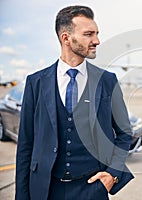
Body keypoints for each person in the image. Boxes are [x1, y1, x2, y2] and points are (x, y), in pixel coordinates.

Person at [15, 5, 134, 200]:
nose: (96, 40)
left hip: (92, 189)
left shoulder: (107, 81)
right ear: (66, 38)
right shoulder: (36, 82)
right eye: (88, 34)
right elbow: (26, 145)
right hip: (45, 190)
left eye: (96, 33)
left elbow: (124, 133)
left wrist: (112, 174)